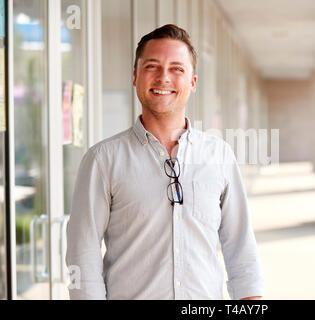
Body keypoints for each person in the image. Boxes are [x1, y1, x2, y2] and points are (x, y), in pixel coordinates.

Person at [66, 24, 264, 300]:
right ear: (135, 76)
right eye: (152, 66)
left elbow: (241, 250)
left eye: (177, 69)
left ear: (193, 82)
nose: (163, 78)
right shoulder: (103, 160)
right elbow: (82, 252)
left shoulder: (219, 156)